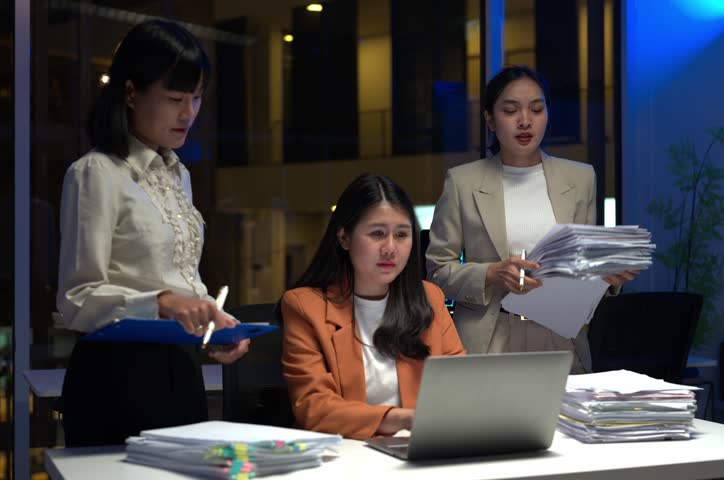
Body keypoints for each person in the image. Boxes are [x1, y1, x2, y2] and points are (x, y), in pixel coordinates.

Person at [57, 19, 249, 447]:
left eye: (197, 97)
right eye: (175, 98)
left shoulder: (178, 175)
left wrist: (214, 327)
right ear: (131, 93)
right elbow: (77, 299)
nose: (189, 113)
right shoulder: (96, 173)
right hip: (115, 377)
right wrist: (162, 303)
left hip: (180, 370)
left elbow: (182, 281)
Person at [425, 66, 636, 372]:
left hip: (559, 337)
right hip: (489, 339)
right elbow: (437, 272)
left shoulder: (580, 179)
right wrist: (491, 273)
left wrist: (605, 276)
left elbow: (580, 270)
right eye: (511, 110)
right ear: (490, 120)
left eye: (536, 109)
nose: (525, 121)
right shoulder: (462, 182)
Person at [281, 173, 465, 440]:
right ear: (344, 237)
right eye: (377, 233)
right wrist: (404, 419)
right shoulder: (304, 306)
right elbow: (314, 407)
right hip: (345, 451)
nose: (390, 248)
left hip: (419, 448)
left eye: (401, 235)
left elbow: (459, 387)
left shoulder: (429, 298)